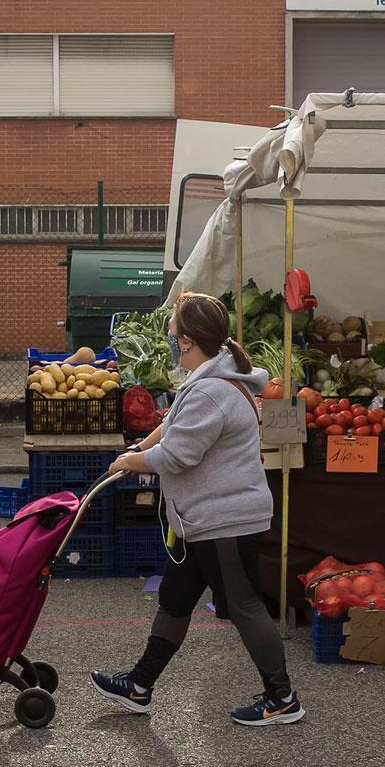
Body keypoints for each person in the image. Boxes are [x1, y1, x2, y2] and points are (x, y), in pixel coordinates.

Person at [91, 293, 303, 727]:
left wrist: (130, 461)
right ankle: (139, 685)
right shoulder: (215, 379)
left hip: (224, 519)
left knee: (244, 606)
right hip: (203, 519)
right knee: (174, 601)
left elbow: (177, 456)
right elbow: (172, 426)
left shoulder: (210, 390)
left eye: (173, 337)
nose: (171, 342)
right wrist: (141, 445)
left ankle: (282, 698)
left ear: (188, 343)